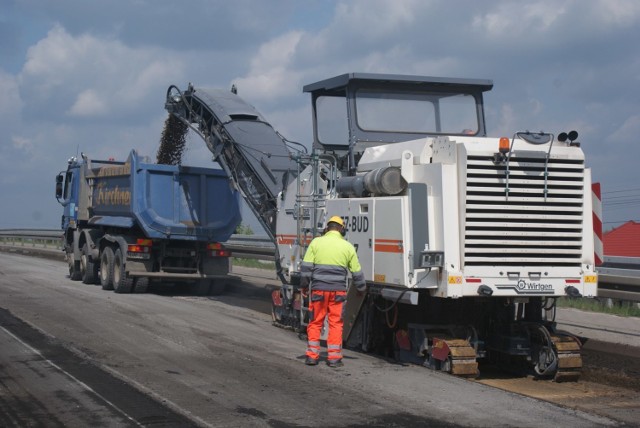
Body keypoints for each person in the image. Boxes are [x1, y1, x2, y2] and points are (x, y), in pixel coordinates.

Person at [299, 215, 366, 368]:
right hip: (338, 293)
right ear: (341, 229)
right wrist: (361, 289)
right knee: (336, 323)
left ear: (327, 228)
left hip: (318, 291)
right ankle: (334, 358)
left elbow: (306, 268)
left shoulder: (316, 242)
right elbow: (356, 271)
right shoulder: (347, 246)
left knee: (315, 322)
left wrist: (304, 286)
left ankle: (312, 356)